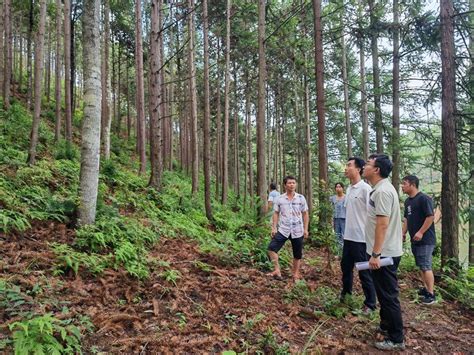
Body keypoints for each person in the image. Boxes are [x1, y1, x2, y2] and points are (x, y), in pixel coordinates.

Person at [363, 154, 405, 351]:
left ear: (377, 169)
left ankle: (397, 339)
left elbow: (382, 224)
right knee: (383, 293)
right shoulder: (380, 189)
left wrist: (376, 254)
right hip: (384, 251)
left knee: (388, 296)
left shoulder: (382, 192)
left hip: (384, 253)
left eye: (368, 164)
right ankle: (386, 326)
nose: (364, 166)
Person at [340, 157, 376, 313]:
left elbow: (373, 214)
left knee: (364, 272)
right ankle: (346, 295)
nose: (346, 168)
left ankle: (370, 303)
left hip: (361, 239)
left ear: (359, 169)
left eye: (349, 166)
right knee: (345, 268)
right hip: (348, 238)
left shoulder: (365, 189)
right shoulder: (348, 189)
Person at [401, 175, 436, 305]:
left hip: (426, 239)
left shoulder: (423, 198)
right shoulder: (408, 201)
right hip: (414, 239)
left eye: (404, 183)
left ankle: (431, 295)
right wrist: (403, 233)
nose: (402, 186)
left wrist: (421, 232)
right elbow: (406, 219)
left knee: (426, 266)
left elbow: (430, 217)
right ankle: (426, 289)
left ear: (413, 184)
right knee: (421, 265)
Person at [267, 176, 309, 281]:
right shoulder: (280, 198)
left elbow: (305, 214)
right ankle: (277, 270)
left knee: (297, 254)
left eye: (293, 183)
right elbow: (276, 213)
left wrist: (305, 229)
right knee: (271, 248)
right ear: (285, 185)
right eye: (289, 183)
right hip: (283, 229)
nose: (292, 185)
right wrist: (274, 227)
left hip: (297, 230)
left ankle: (295, 274)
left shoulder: (301, 198)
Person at [330, 182, 346, 247]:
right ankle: (337, 252)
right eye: (337, 187)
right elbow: (331, 209)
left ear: (343, 188)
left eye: (340, 187)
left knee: (344, 235)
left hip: (344, 219)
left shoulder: (346, 197)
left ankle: (344, 252)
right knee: (337, 235)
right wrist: (331, 220)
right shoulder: (332, 198)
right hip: (336, 219)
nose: (338, 188)